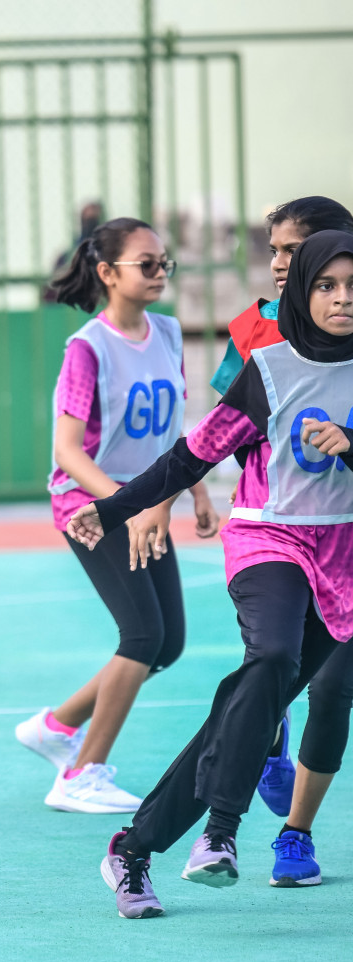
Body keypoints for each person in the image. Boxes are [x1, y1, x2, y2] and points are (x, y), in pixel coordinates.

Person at [72, 230, 353, 918]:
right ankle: (219, 837)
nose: (344, 298)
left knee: (244, 714)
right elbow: (189, 457)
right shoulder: (270, 370)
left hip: (341, 560)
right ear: (303, 291)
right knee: (275, 656)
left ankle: (132, 850)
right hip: (269, 541)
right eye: (328, 285)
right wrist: (112, 510)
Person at [15, 217, 218, 813]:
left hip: (147, 501)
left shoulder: (170, 333)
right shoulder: (88, 348)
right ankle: (81, 773)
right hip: (93, 508)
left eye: (164, 263)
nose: (160, 273)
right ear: (107, 273)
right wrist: (121, 507)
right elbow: (67, 451)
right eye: (146, 264)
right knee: (143, 634)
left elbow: (175, 422)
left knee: (171, 641)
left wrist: (195, 486)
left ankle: (56, 726)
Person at [206, 196, 353, 885]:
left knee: (334, 689)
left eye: (293, 250)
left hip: (344, 535)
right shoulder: (255, 334)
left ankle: (296, 834)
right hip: (281, 530)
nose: (280, 262)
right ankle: (261, 752)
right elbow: (218, 433)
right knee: (273, 659)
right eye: (274, 251)